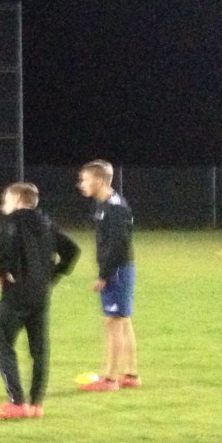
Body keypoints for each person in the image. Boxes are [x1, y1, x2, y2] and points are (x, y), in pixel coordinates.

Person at [0, 183, 81, 419]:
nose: (4, 204)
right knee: (39, 349)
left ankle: (16, 402)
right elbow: (72, 250)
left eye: (7, 199)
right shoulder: (46, 223)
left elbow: (6, 247)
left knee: (3, 344)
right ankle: (36, 404)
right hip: (41, 294)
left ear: (18, 199)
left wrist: (3, 271)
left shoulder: (12, 222)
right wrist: (53, 274)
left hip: (16, 293)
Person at [76, 159, 140, 391]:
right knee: (123, 322)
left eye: (85, 179)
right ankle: (131, 375)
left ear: (99, 180)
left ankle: (110, 379)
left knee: (113, 323)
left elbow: (118, 245)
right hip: (119, 269)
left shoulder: (114, 207)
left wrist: (104, 275)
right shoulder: (105, 205)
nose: (81, 184)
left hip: (118, 271)